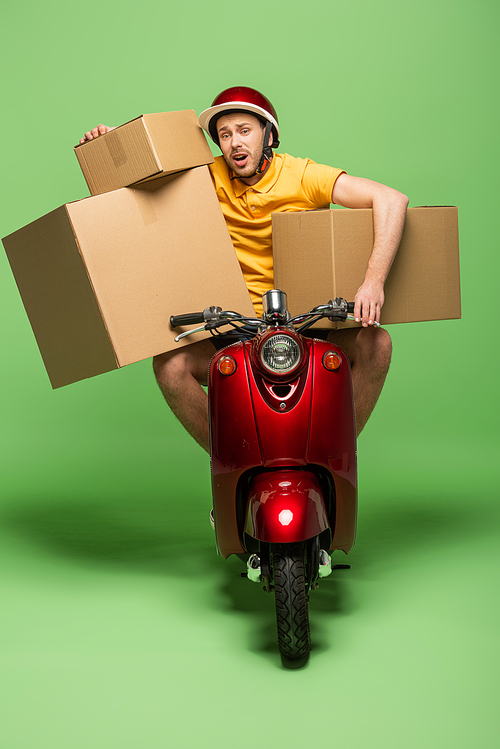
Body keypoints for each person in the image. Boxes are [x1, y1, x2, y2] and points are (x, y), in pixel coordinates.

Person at [80, 86, 409, 452]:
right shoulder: (205, 177)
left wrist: (373, 283)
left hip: (304, 327)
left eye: (244, 130)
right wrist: (110, 148)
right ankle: (237, 461)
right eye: (224, 135)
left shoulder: (301, 175)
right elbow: (139, 195)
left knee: (377, 343)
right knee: (170, 366)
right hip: (232, 328)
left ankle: (333, 451)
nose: (235, 143)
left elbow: (391, 199)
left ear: (269, 134)